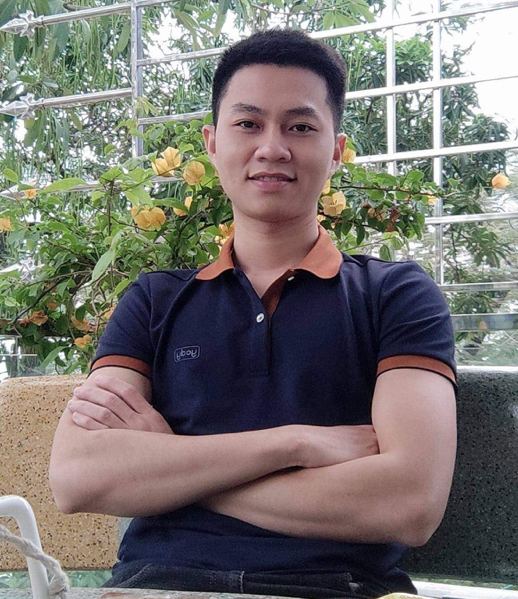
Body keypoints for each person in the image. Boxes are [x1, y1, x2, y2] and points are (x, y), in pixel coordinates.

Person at [49, 28, 458, 599]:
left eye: (300, 126)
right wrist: (292, 444)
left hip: (335, 587)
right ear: (213, 143)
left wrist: (173, 466)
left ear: (335, 150)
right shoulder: (153, 300)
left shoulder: (396, 295)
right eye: (248, 123)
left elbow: (409, 503)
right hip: (156, 585)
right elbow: (76, 478)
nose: (272, 148)